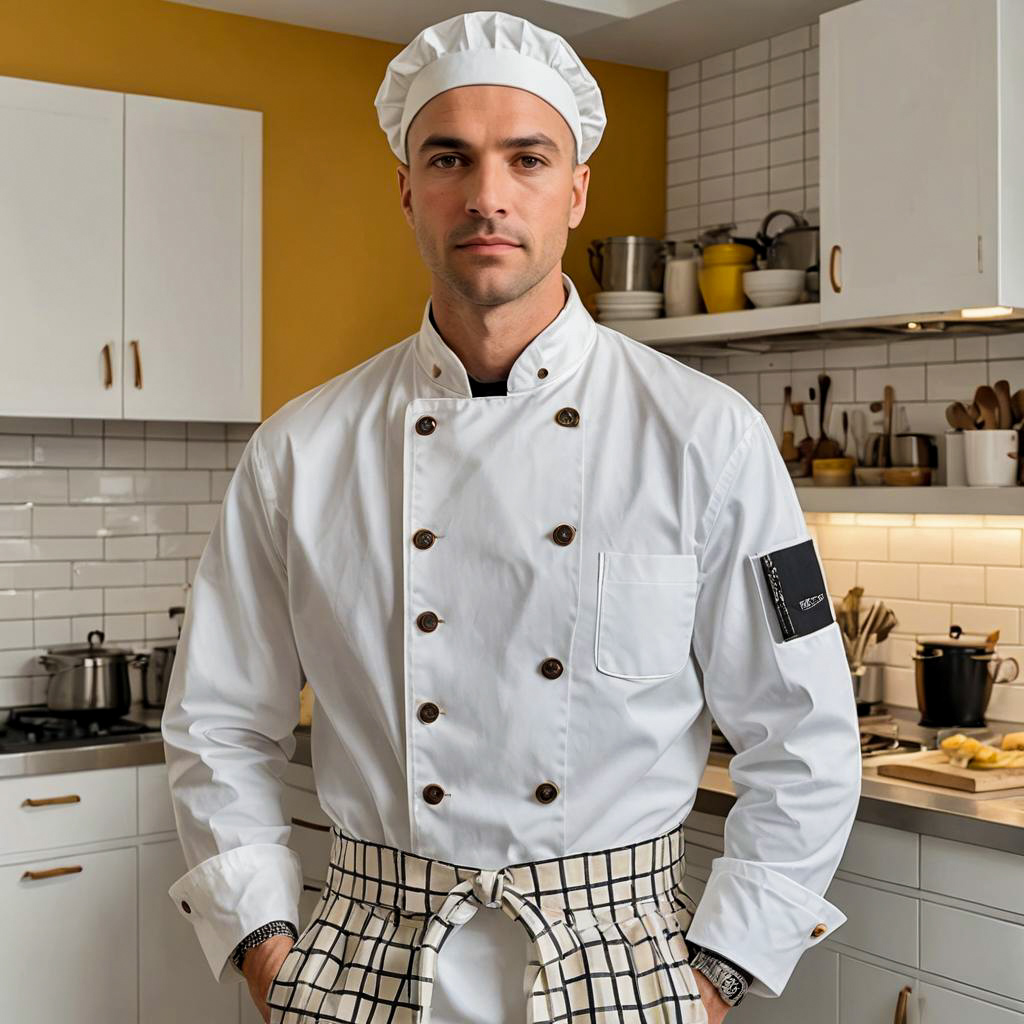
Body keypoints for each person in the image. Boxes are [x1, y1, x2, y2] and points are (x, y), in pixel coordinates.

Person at [161, 10, 862, 1024]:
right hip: (366, 959)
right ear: (407, 188)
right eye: (449, 157)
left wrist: (716, 978)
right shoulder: (299, 451)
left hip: (622, 970)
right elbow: (218, 724)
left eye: (526, 158)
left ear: (575, 188)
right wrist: (267, 950)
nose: (486, 196)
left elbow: (805, 734)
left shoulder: (711, 436)